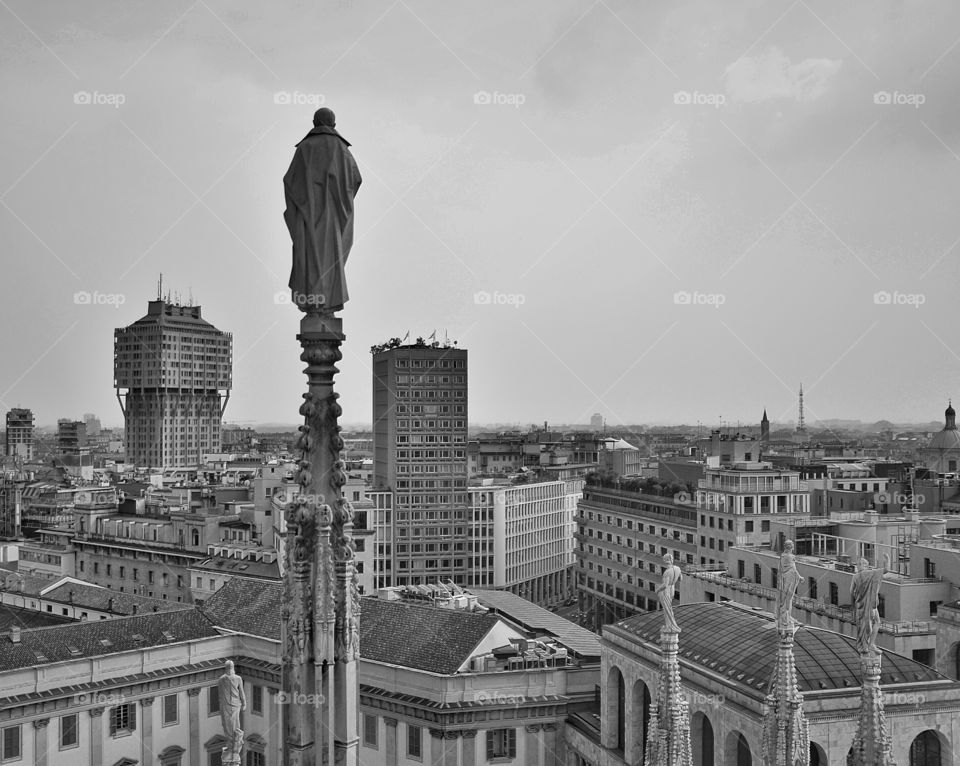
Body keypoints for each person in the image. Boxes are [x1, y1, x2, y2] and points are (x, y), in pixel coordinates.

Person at [283, 107, 362, 313]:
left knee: (308, 258)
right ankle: (325, 302)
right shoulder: (341, 149)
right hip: (332, 218)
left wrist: (304, 202)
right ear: (333, 124)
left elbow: (290, 181)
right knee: (330, 259)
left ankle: (314, 302)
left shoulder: (304, 148)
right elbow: (355, 179)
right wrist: (339, 200)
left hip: (307, 218)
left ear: (314, 122)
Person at [850, 555, 888, 655]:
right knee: (874, 623)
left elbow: (851, 592)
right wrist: (887, 560)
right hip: (870, 605)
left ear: (863, 565)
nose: (858, 566)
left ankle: (867, 645)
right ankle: (869, 644)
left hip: (861, 605)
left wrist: (859, 597)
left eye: (859, 564)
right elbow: (886, 570)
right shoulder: (872, 573)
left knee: (867, 625)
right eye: (858, 564)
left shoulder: (855, 576)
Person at [217, 660, 246, 753]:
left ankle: (233, 743)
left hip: (229, 705)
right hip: (232, 705)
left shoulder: (222, 679)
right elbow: (241, 692)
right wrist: (244, 703)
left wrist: (244, 703)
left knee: (230, 725)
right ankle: (232, 744)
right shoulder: (236, 678)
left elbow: (220, 695)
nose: (229, 669)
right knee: (230, 724)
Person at [776, 540, 800, 633]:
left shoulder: (782, 556)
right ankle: (785, 618)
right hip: (789, 580)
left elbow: (780, 569)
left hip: (783, 580)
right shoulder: (790, 557)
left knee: (784, 599)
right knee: (788, 599)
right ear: (791, 547)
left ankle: (786, 617)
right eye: (792, 546)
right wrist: (799, 577)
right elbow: (793, 569)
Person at [656, 554, 683, 632]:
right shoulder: (677, 568)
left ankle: (670, 626)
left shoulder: (667, 572)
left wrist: (657, 590)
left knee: (667, 609)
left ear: (665, 561)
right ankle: (670, 625)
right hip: (672, 589)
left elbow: (665, 585)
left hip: (666, 590)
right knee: (669, 608)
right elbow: (680, 579)